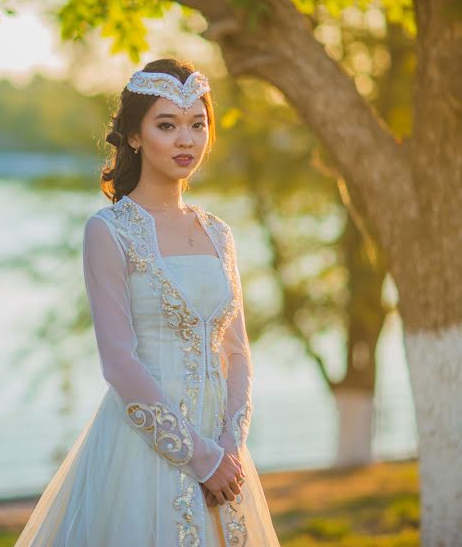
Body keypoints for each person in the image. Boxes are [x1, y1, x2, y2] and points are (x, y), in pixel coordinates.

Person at [14, 58, 280, 546]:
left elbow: (238, 351)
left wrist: (230, 447)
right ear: (134, 136)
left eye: (197, 125)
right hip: (142, 451)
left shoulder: (219, 234)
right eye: (167, 125)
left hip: (225, 458)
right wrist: (198, 457)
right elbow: (119, 362)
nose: (186, 140)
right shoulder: (110, 231)